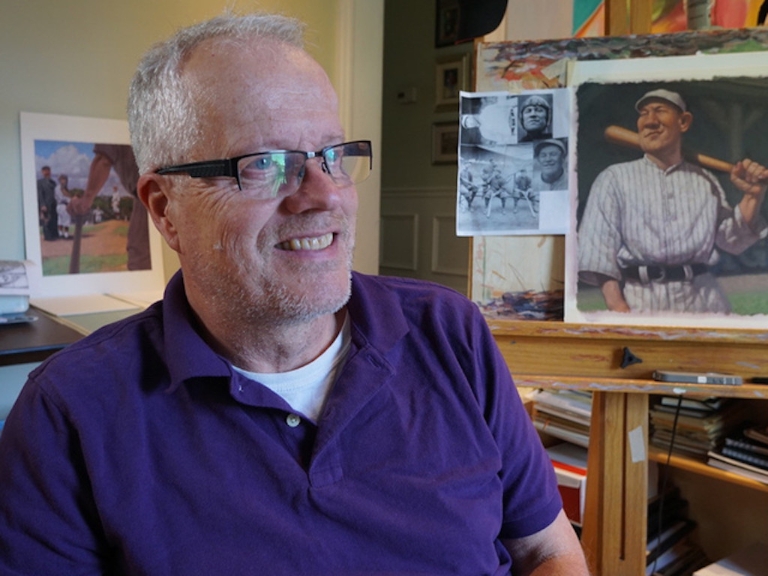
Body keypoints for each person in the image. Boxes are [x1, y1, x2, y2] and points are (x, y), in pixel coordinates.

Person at [0, 13, 589, 575]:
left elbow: (546, 550)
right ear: (164, 209)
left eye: (331, 155)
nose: (323, 195)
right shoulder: (70, 412)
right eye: (263, 164)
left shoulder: (450, 332)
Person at [579, 88, 768, 313]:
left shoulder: (704, 179)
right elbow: (597, 246)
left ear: (684, 122)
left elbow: (733, 240)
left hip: (704, 298)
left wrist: (753, 195)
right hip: (641, 298)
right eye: (644, 113)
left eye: (660, 111)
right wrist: (616, 304)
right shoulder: (614, 178)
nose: (650, 121)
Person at [69, 144, 151, 270]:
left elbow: (103, 160)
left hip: (148, 197)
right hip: (148, 195)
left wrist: (86, 199)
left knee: (140, 257)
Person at [36, 165, 58, 241]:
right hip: (45, 204)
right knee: (46, 221)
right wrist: (42, 205)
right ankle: (48, 237)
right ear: (42, 172)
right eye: (45, 171)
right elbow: (40, 194)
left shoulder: (53, 183)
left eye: (48, 171)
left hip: (54, 204)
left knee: (53, 220)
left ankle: (54, 235)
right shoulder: (40, 182)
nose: (47, 172)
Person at [55, 174, 73, 239]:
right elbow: (63, 198)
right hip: (63, 205)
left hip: (61, 205)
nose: (64, 181)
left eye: (65, 179)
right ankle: (65, 234)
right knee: (66, 219)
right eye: (63, 179)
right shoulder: (59, 188)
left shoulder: (64, 188)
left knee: (60, 220)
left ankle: (60, 233)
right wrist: (70, 200)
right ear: (60, 180)